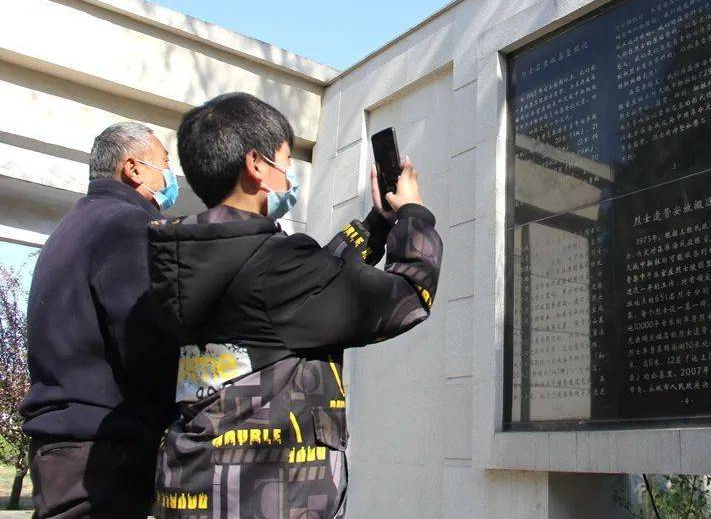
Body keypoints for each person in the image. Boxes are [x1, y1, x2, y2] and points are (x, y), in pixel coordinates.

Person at [148, 92, 442, 517]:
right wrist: (415, 214)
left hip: (194, 486)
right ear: (256, 165)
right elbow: (408, 296)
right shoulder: (275, 266)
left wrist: (378, 224)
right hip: (267, 497)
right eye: (285, 163)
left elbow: (308, 286)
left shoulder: (186, 257)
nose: (289, 176)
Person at [20, 122, 181, 517]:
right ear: (133, 167)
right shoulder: (126, 225)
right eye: (165, 163)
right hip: (104, 451)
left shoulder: (71, 228)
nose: (171, 176)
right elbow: (144, 339)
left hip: (65, 446)